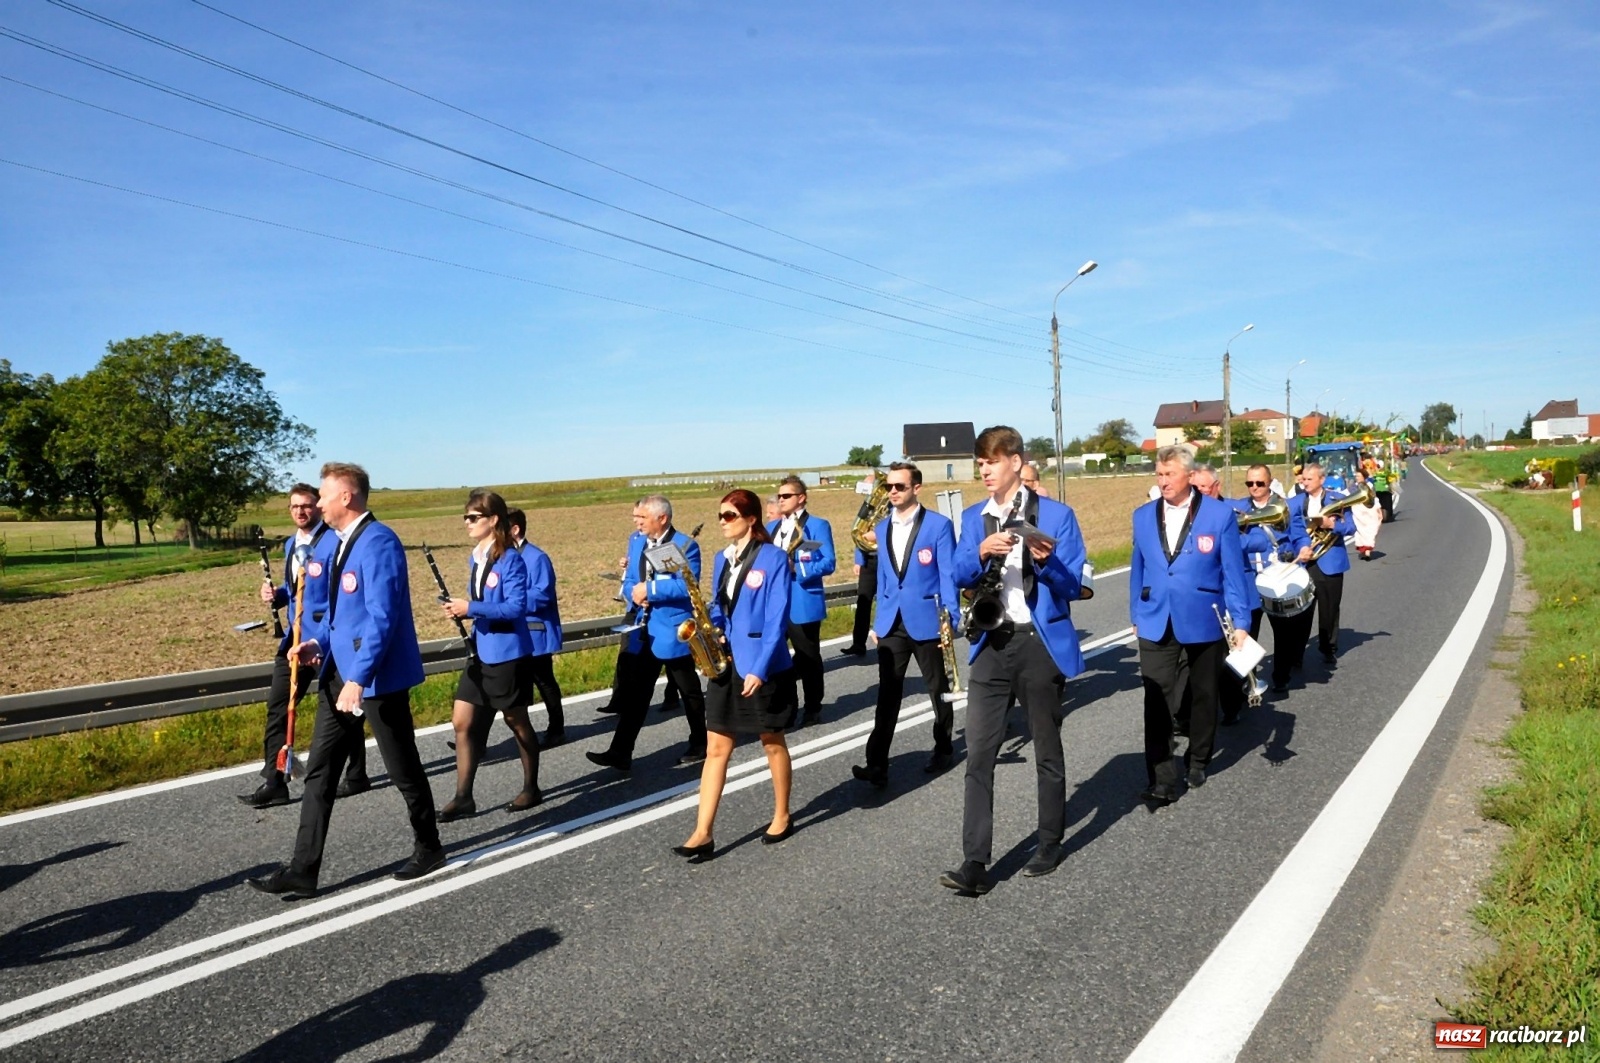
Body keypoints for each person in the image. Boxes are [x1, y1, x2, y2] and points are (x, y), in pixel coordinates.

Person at [250, 462, 444, 898]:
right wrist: (318, 643)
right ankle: (303, 868)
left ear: (347, 497)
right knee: (320, 771)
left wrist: (359, 676)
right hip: (340, 672)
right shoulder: (338, 543)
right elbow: (341, 614)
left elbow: (382, 616)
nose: (316, 503)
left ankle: (429, 846)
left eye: (322, 495)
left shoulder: (379, 543)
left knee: (402, 767)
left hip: (377, 678)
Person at [939, 426, 1088, 895]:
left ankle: (1049, 840)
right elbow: (957, 574)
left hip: (1038, 644)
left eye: (992, 462)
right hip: (991, 644)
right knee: (979, 754)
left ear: (1016, 464)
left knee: (1046, 747)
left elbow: (1077, 585)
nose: (984, 470)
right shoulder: (972, 517)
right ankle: (975, 863)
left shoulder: (1058, 515)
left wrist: (1045, 560)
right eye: (980, 463)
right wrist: (982, 550)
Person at [672, 488, 798, 859]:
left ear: (751, 518)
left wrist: (759, 667)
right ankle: (702, 831)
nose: (723, 522)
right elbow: (721, 604)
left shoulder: (774, 558)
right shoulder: (722, 558)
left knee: (772, 742)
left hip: (762, 664)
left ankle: (782, 814)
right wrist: (713, 628)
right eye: (720, 516)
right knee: (716, 748)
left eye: (729, 515)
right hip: (725, 663)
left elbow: (777, 617)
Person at [1129, 446, 1253, 806]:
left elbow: (1233, 571)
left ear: (1188, 475)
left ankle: (1198, 758)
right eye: (1159, 474)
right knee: (1156, 699)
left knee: (1203, 693)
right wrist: (1136, 613)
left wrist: (1241, 621)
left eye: (1169, 474)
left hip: (1204, 616)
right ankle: (1161, 779)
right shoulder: (1142, 516)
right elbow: (1138, 568)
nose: (1163, 481)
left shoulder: (1219, 515)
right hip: (1155, 619)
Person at [239, 484, 369, 808]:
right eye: (295, 506)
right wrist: (278, 594)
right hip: (294, 640)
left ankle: (356, 774)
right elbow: (296, 588)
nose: (301, 511)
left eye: (308, 505)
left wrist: (322, 637)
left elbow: (338, 596)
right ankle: (275, 780)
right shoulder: (290, 544)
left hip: (326, 640)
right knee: (278, 705)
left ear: (319, 507)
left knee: (341, 707)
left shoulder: (333, 543)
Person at [850, 462, 958, 788]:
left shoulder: (938, 526)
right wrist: (877, 622)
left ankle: (943, 745)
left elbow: (948, 575)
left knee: (938, 689)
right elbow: (884, 577)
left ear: (916, 488)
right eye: (889, 487)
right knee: (888, 694)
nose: (893, 492)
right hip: (891, 623)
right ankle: (877, 763)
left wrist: (949, 620)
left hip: (927, 620)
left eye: (899, 486)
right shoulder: (881, 529)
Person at [437, 490, 543, 820]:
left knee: (516, 720)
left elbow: (516, 607)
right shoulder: (476, 556)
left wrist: (471, 608)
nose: (467, 523)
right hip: (481, 652)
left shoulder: (511, 559)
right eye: (465, 517)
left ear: (493, 520)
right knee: (462, 721)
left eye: (474, 517)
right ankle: (463, 796)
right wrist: (463, 610)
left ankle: (531, 787)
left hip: (508, 653)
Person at [586, 496, 708, 774]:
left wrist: (649, 592)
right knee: (638, 694)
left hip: (675, 631)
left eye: (641, 517)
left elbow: (687, 588)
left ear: (662, 518)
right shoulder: (637, 542)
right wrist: (634, 594)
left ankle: (700, 742)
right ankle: (620, 752)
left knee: (689, 692)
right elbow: (630, 580)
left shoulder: (685, 546)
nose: (636, 522)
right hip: (645, 630)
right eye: (635, 517)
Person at [767, 475, 836, 726]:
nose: (780, 500)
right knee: (777, 657)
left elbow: (829, 562)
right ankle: (787, 708)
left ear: (801, 498)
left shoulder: (817, 525)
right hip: (775, 603)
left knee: (808, 657)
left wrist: (795, 568)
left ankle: (813, 706)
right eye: (779, 496)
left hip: (802, 600)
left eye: (786, 496)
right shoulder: (772, 528)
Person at [1222, 464, 1288, 719]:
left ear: (1269, 483)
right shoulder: (1239, 507)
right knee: (1247, 639)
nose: (1254, 488)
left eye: (1259, 483)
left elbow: (1295, 536)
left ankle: (1281, 676)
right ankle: (1242, 692)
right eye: (1250, 484)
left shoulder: (1282, 506)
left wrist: (1296, 552)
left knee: (1283, 633)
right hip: (1250, 583)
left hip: (1277, 578)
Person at [1283, 463, 1356, 670]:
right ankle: (1297, 655)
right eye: (1303, 479)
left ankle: (1328, 649)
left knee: (1329, 610)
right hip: (1305, 563)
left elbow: (1351, 526)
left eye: (1309, 479)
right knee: (1300, 612)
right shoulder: (1295, 502)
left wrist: (1332, 525)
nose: (1304, 482)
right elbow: (1287, 529)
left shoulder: (1337, 499)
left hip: (1330, 563)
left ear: (1321, 480)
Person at [507, 508, 566, 746]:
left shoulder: (536, 557)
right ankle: (475, 740)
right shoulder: (505, 557)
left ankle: (557, 729)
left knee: (544, 682)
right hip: (515, 633)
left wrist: (511, 601)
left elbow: (542, 596)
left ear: (515, 529)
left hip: (536, 632)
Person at [840, 538, 876, 658]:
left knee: (886, 602)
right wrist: (858, 560)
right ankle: (859, 644)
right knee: (863, 602)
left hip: (888, 560)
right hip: (868, 560)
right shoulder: (867, 517)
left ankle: (890, 642)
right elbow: (859, 536)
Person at [1349, 468, 1381, 561]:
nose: (1357, 478)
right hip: (1357, 511)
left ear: (1364, 476)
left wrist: (1378, 510)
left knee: (1370, 531)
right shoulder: (1353, 487)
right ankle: (1363, 550)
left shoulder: (1369, 486)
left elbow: (1374, 498)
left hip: (1369, 511)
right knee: (1359, 531)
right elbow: (1347, 495)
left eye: (1358, 476)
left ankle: (1368, 551)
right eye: (1356, 476)